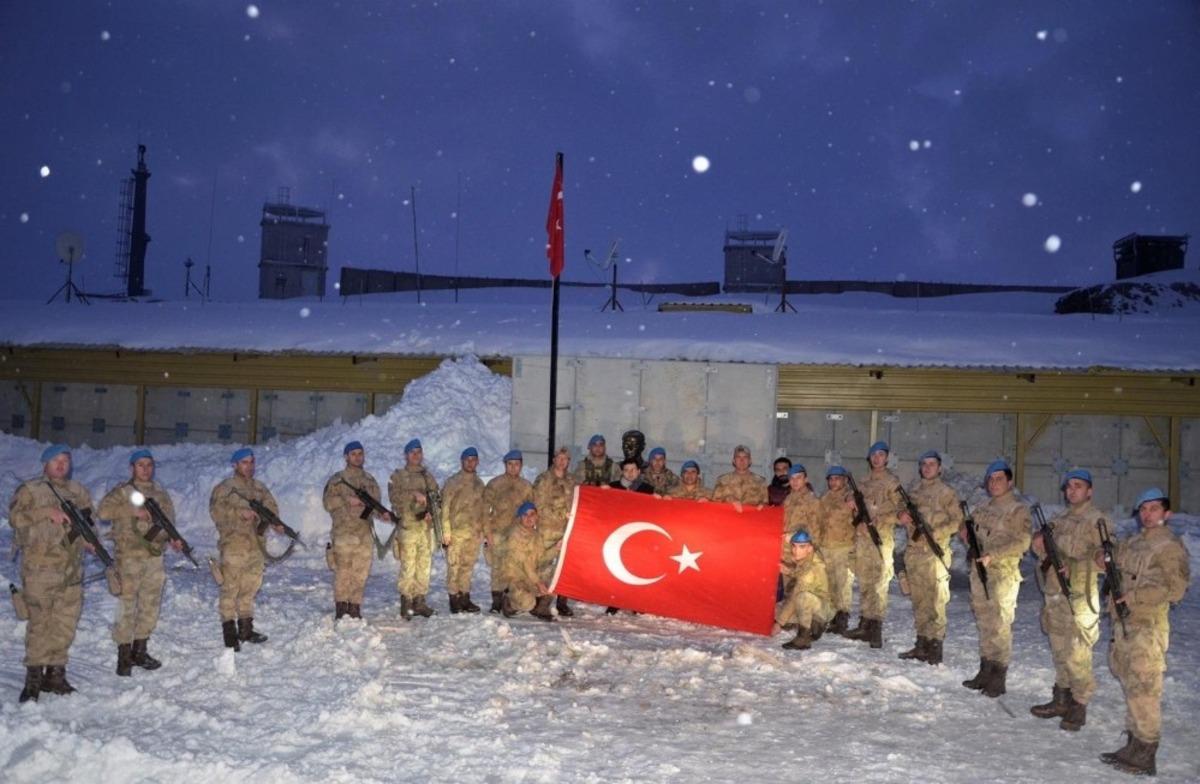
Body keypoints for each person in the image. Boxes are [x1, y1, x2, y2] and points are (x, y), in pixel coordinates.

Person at [1096, 488, 1190, 776]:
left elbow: (1176, 590)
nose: (1147, 514)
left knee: (1145, 687)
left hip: (1147, 625)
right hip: (1124, 623)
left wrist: (1135, 598)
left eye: (1154, 509)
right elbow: (1111, 566)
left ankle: (1146, 751)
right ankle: (1134, 744)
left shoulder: (1170, 547)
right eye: (1144, 509)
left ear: (1166, 513)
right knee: (1131, 682)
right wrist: (1103, 559)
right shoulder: (1134, 542)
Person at [8, 444, 95, 702]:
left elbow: (88, 521)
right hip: (39, 569)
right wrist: (47, 512)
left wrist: (91, 541)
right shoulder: (31, 490)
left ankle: (55, 675)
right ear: (45, 464)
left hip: (71, 570)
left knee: (65, 622)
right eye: (55, 460)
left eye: (65, 460)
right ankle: (33, 679)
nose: (61, 465)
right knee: (40, 623)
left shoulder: (78, 491)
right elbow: (15, 518)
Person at [1028, 468, 1105, 730]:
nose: (1072, 490)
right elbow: (1044, 553)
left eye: (1078, 486)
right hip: (1055, 594)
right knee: (1060, 648)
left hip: (1079, 595)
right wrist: (1038, 544)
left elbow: (1105, 558)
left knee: (1078, 652)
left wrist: (1075, 564)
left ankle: (1078, 704)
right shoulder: (1059, 519)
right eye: (1069, 486)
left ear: (1089, 491)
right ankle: (1061, 698)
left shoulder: (1097, 520)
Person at [98, 448, 182, 676]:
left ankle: (140, 650)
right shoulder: (123, 491)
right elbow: (103, 512)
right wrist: (131, 510)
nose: (145, 469)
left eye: (149, 465)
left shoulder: (160, 494)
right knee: (127, 605)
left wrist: (172, 539)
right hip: (128, 558)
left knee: (150, 604)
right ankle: (124, 656)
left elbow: (168, 522)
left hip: (154, 558)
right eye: (140, 465)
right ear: (132, 468)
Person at [960, 459, 1031, 698]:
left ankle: (998, 676)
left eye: (999, 478)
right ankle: (985, 669)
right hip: (979, 571)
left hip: (1002, 573)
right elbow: (970, 528)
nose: (994, 483)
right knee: (984, 620)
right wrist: (965, 533)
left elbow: (1023, 541)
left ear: (1009, 482)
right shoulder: (983, 507)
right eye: (991, 479)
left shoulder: (1017, 510)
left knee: (1000, 624)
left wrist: (995, 554)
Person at [209, 447, 282, 650]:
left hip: (256, 546)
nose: (249, 466)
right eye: (244, 462)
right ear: (235, 465)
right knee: (230, 588)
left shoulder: (259, 488)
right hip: (234, 545)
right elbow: (216, 511)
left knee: (250, 587)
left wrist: (270, 520)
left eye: (251, 462)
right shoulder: (225, 488)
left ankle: (246, 629)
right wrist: (240, 512)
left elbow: (272, 508)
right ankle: (229, 633)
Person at [896, 450, 962, 666]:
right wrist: (901, 516)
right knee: (919, 601)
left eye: (932, 464)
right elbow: (901, 510)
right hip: (914, 554)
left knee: (935, 603)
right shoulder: (914, 492)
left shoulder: (947, 493)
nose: (927, 468)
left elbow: (957, 521)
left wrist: (935, 533)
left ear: (939, 468)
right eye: (924, 464)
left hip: (935, 554)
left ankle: (935, 647)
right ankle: (922, 643)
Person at [321, 441, 392, 621]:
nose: (357, 457)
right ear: (346, 457)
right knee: (343, 571)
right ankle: (341, 606)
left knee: (361, 572)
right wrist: (347, 500)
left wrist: (380, 513)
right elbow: (328, 503)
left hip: (364, 534)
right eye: (353, 454)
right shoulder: (337, 480)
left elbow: (371, 507)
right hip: (343, 532)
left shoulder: (370, 481)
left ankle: (355, 607)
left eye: (360, 453)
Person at [845, 441, 902, 649]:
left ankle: (875, 628)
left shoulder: (892, 482)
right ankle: (865, 624)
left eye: (881, 455)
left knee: (879, 583)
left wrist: (880, 518)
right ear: (869, 459)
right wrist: (850, 500)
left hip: (880, 538)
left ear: (886, 458)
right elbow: (852, 498)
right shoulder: (863, 481)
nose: (877, 458)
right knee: (865, 581)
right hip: (862, 538)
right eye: (874, 455)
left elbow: (900, 511)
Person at [388, 438, 444, 620]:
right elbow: (394, 499)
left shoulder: (428, 477)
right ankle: (407, 603)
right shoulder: (398, 476)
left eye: (419, 452)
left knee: (424, 566)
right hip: (408, 528)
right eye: (412, 452)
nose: (416, 455)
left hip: (425, 529)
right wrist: (413, 495)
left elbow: (437, 499)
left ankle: (420, 602)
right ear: (406, 455)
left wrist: (432, 511)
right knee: (408, 565)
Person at [483, 449, 534, 613]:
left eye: (517, 464)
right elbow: (484, 509)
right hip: (498, 532)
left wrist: (530, 530)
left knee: (513, 567)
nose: (513, 468)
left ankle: (509, 598)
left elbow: (532, 510)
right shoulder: (495, 484)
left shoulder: (526, 486)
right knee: (497, 567)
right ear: (505, 465)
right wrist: (487, 532)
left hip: (517, 535)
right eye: (510, 464)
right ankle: (496, 601)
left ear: (521, 466)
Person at [532, 447, 577, 616]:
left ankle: (562, 602)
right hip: (547, 531)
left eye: (565, 459)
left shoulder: (572, 481)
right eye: (559, 458)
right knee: (544, 566)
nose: (562, 461)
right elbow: (539, 505)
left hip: (566, 531)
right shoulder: (544, 479)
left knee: (564, 566)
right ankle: (541, 601)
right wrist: (560, 514)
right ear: (554, 460)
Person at [441, 446, 486, 614]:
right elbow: (444, 507)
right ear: (462, 461)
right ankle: (454, 599)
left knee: (468, 566)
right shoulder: (453, 482)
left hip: (473, 534)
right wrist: (446, 531)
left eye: (473, 459)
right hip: (456, 533)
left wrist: (482, 529)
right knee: (454, 566)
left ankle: (465, 597)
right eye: (467, 459)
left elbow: (483, 509)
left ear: (477, 462)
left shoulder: (479, 484)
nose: (470, 462)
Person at [774, 531, 830, 651]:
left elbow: (795, 596)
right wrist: (789, 571)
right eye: (794, 546)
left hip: (819, 610)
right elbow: (797, 568)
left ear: (809, 548)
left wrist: (779, 624)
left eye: (801, 547)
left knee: (801, 598)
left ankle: (804, 637)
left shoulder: (813, 567)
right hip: (811, 603)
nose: (796, 550)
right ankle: (799, 623)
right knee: (775, 611)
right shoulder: (806, 557)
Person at [818, 466, 856, 635]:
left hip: (843, 546)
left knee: (843, 583)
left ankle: (842, 616)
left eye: (837, 478)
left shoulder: (850, 497)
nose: (834, 482)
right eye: (831, 479)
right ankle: (832, 615)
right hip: (826, 546)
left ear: (845, 480)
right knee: (829, 583)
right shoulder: (825, 498)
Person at [502, 502, 554, 621]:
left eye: (532, 514)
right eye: (525, 515)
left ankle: (539, 606)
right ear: (520, 517)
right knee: (527, 603)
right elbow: (525, 564)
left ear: (536, 516)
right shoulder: (514, 534)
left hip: (531, 576)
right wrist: (539, 583)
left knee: (554, 573)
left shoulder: (536, 535)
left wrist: (556, 549)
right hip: (517, 578)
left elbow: (542, 558)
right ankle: (509, 601)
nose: (529, 518)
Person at [780, 464, 820, 582]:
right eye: (792, 478)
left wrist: (795, 537)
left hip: (802, 552)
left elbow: (815, 531)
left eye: (799, 477)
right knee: (788, 590)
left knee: (802, 589)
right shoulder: (788, 499)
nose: (795, 481)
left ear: (806, 479)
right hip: (787, 553)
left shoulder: (812, 500)